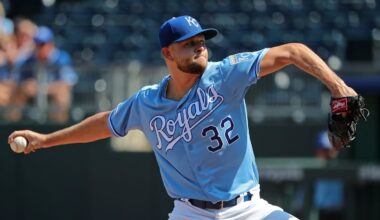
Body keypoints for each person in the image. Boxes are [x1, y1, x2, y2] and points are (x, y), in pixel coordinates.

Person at [8, 15, 358, 219]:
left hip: (248, 210)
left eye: (201, 40)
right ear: (167, 53)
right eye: (189, 43)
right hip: (191, 214)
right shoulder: (147, 103)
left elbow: (293, 52)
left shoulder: (225, 75)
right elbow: (103, 123)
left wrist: (339, 87)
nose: (199, 46)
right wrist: (46, 139)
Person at [9, 26, 78, 123]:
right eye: (37, 44)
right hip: (32, 96)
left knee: (62, 93)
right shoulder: (29, 60)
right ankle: (12, 126)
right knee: (18, 91)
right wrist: (26, 84)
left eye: (42, 44)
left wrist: (43, 88)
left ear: (50, 44)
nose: (39, 47)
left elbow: (68, 83)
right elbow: (17, 79)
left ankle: (58, 129)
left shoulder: (62, 58)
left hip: (52, 93)